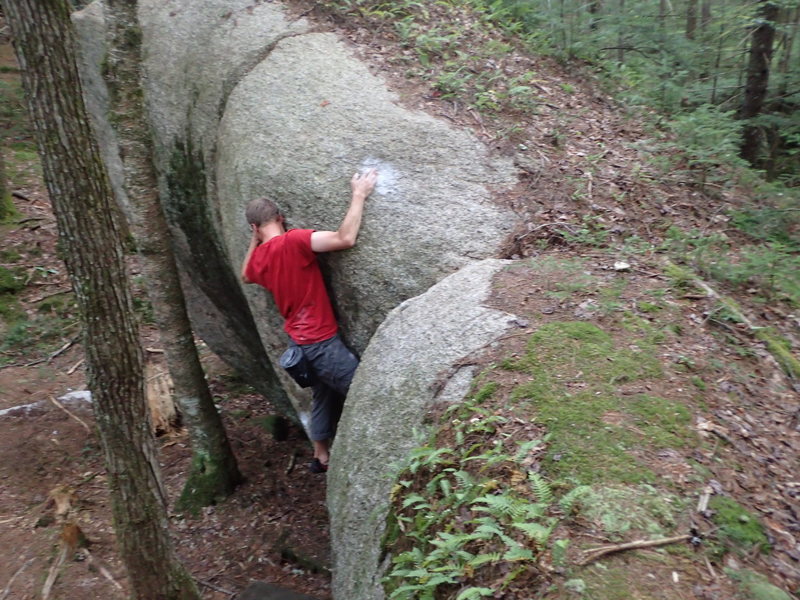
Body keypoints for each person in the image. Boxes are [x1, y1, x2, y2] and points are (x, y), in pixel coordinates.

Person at [241, 169, 378, 473]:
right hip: (320, 341)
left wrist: (255, 240)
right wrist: (359, 195)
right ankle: (373, 456)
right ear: (281, 217)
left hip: (299, 343)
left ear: (254, 227)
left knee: (323, 394)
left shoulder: (259, 260)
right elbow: (345, 238)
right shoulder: (294, 241)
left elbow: (245, 274)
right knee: (362, 393)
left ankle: (320, 455)